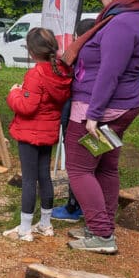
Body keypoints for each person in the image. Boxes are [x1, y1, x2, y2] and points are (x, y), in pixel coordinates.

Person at [64, 0, 139, 254]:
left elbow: (109, 73)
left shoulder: (120, 25)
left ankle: (101, 235)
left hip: (102, 107)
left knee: (78, 168)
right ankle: (99, 225)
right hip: (120, 105)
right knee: (105, 165)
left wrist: (93, 115)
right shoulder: (132, 16)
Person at [2, 28, 72, 241]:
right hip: (49, 130)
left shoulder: (36, 73)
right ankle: (45, 224)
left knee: (29, 180)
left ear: (32, 51)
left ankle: (24, 229)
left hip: (30, 132)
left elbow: (27, 107)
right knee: (45, 176)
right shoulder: (61, 71)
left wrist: (14, 92)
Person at [52, 17, 96, 222]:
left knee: (76, 163)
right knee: (94, 162)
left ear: (78, 37)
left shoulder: (77, 55)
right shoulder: (103, 54)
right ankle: (91, 206)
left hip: (78, 114)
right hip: (96, 114)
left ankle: (74, 208)